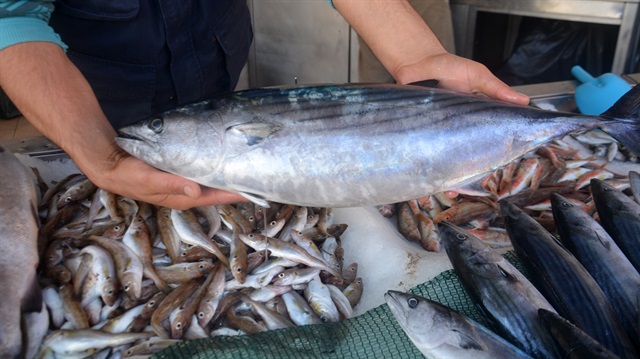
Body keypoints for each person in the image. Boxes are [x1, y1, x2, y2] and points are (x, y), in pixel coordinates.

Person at [0, 0, 530, 210]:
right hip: (88, 85)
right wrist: (98, 150)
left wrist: (421, 54)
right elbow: (11, 15)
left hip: (213, 59)